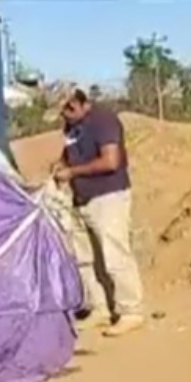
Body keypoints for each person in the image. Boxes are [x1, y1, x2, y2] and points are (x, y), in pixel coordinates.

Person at [53, 88, 146, 338]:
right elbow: (69, 152)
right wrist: (61, 165)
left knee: (114, 254)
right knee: (86, 258)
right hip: (81, 198)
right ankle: (100, 308)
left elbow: (110, 161)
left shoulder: (103, 120)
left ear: (78, 103)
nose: (65, 116)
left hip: (108, 197)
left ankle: (130, 311)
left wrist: (72, 173)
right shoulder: (72, 126)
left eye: (67, 110)